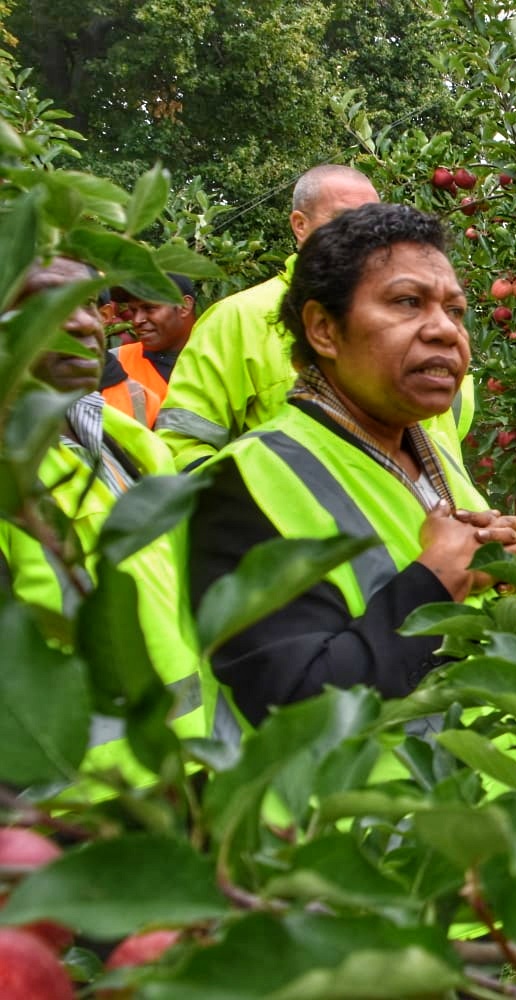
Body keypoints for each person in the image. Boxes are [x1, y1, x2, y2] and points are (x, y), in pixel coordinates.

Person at [187, 203, 516, 726]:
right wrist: (435, 581)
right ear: (324, 330)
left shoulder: (429, 450)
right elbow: (292, 703)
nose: (446, 331)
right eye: (407, 302)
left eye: (456, 311)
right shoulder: (240, 483)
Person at [1, 258, 204, 784]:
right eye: (48, 305)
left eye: (89, 304)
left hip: (190, 762)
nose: (84, 324)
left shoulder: (131, 439)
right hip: (73, 803)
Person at [157, 165, 471, 469]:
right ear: (300, 225)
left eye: (373, 220)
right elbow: (182, 446)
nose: (365, 235)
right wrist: (258, 509)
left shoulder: (428, 325)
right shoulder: (237, 318)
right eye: (344, 220)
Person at [99, 273, 197, 428]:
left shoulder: (221, 360)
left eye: (149, 308)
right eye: (133, 310)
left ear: (184, 306)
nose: (137, 320)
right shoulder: (113, 364)